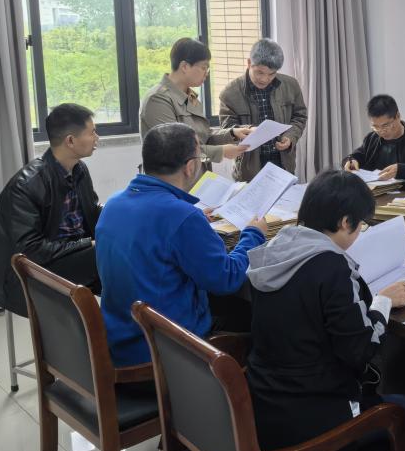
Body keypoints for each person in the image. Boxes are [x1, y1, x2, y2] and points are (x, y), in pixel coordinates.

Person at [245, 170, 405, 450]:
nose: (359, 232)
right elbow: (361, 350)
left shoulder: (274, 250)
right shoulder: (332, 267)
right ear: (345, 222)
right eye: (361, 225)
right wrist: (382, 302)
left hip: (265, 409)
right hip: (316, 423)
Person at [96, 123, 267, 366]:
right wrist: (253, 234)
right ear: (190, 167)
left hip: (121, 338)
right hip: (164, 350)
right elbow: (226, 279)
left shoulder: (114, 203)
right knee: (266, 318)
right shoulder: (181, 216)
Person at [0, 104, 102, 316]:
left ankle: (126, 321)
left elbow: (91, 213)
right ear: (70, 141)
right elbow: (30, 251)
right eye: (92, 132)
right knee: (109, 254)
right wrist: (87, 244)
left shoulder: (79, 170)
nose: (97, 138)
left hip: (72, 256)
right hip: (35, 271)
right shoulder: (28, 184)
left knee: (124, 246)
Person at [140, 37, 251, 168]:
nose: (206, 74)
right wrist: (221, 152)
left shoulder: (190, 97)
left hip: (196, 175)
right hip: (172, 177)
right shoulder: (158, 100)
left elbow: (203, 137)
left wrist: (232, 133)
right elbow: (175, 150)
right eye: (204, 68)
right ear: (185, 66)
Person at [219, 38, 308, 181]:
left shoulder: (291, 85)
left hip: (283, 163)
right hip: (249, 168)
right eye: (259, 72)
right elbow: (227, 130)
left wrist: (290, 137)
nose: (265, 79)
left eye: (271, 74)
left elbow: (300, 116)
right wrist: (248, 130)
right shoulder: (229, 93)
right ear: (249, 63)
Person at [342, 94, 405, 191]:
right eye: (375, 126)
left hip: (404, 195)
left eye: (385, 125)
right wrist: (350, 161)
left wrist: (402, 170)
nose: (381, 131)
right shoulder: (372, 139)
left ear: (398, 116)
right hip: (374, 194)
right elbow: (356, 156)